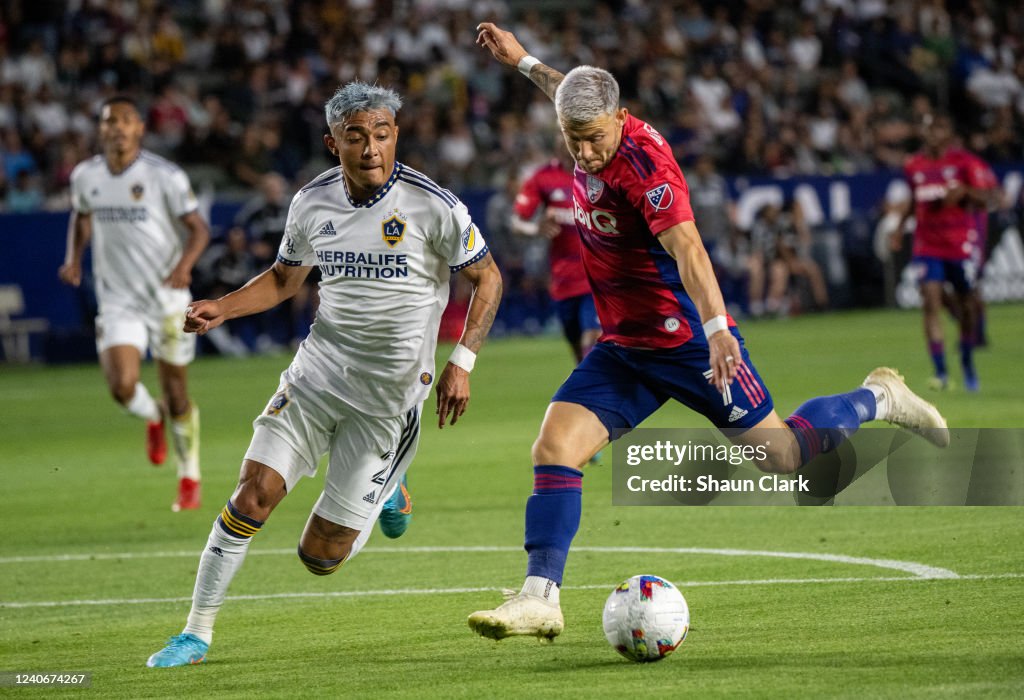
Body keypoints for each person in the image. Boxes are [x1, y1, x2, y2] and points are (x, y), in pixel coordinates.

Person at [469, 22, 949, 641]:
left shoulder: (646, 171)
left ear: (617, 119)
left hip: (687, 343)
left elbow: (690, 248)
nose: (582, 153)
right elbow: (566, 90)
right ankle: (540, 598)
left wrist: (718, 330)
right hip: (624, 346)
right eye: (571, 139)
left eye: (590, 140)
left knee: (788, 459)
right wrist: (523, 61)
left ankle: (879, 396)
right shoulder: (592, 118)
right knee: (554, 449)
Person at [146, 81, 502, 667]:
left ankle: (388, 488)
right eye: (356, 136)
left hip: (388, 402)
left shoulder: (433, 205)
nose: (371, 149)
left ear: (396, 137)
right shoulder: (311, 203)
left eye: (382, 135)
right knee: (251, 495)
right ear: (331, 141)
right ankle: (196, 632)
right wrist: (222, 306)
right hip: (315, 377)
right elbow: (286, 280)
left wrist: (461, 363)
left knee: (320, 557)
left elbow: (487, 278)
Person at [58, 95, 210, 512]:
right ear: (101, 129)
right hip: (118, 298)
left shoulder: (165, 175)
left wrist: (184, 266)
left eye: (125, 120)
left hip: (166, 297)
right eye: (110, 121)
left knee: (178, 391)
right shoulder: (85, 175)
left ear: (140, 127)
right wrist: (73, 258)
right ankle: (152, 414)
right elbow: (81, 215)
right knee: (122, 387)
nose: (117, 128)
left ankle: (189, 477)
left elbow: (198, 229)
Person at [892, 113, 998, 391]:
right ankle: (940, 373)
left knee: (967, 305)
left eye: (938, 128)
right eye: (928, 128)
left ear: (948, 134)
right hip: (927, 245)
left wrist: (964, 191)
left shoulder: (964, 163)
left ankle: (967, 362)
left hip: (960, 244)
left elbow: (989, 197)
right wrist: (898, 228)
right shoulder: (914, 165)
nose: (932, 133)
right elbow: (915, 201)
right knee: (930, 301)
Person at [511, 141, 600, 362]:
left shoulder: (600, 172)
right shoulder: (543, 178)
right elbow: (516, 222)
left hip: (597, 275)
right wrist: (535, 228)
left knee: (593, 336)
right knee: (577, 348)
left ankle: (596, 388)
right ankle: (586, 389)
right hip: (564, 279)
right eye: (563, 140)